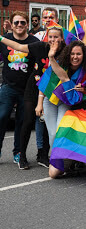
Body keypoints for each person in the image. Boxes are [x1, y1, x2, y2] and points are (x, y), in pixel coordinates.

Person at [1, 26, 65, 169]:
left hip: (52, 89)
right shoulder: (40, 46)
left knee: (47, 122)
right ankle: (22, 156)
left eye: (56, 37)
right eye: (51, 37)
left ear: (61, 38)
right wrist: (1, 38)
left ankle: (43, 155)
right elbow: (18, 46)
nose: (53, 40)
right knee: (28, 120)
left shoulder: (65, 52)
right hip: (34, 86)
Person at [38, 40, 86, 149]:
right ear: (68, 55)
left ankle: (60, 159)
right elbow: (44, 83)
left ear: (84, 55)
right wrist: (39, 104)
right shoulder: (58, 64)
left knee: (61, 130)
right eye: (72, 54)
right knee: (53, 134)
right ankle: (56, 160)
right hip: (50, 101)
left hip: (66, 102)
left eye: (78, 54)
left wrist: (84, 90)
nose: (75, 57)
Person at [0, 11, 39, 163]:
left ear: (27, 24)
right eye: (16, 22)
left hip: (27, 90)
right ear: (12, 24)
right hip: (8, 87)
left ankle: (18, 152)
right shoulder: (5, 40)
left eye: (23, 22)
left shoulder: (33, 41)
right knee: (2, 117)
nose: (19, 25)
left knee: (22, 122)